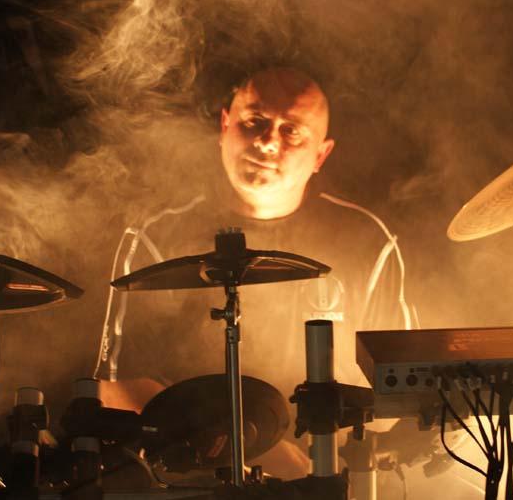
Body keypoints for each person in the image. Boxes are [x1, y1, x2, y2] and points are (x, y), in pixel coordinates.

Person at [97, 67, 412, 477]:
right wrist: (250, 450)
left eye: (291, 131)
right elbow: (117, 387)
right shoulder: (158, 234)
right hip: (185, 479)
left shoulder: (368, 242)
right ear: (224, 126)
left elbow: (394, 400)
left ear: (321, 155)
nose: (267, 141)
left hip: (321, 475)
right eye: (254, 122)